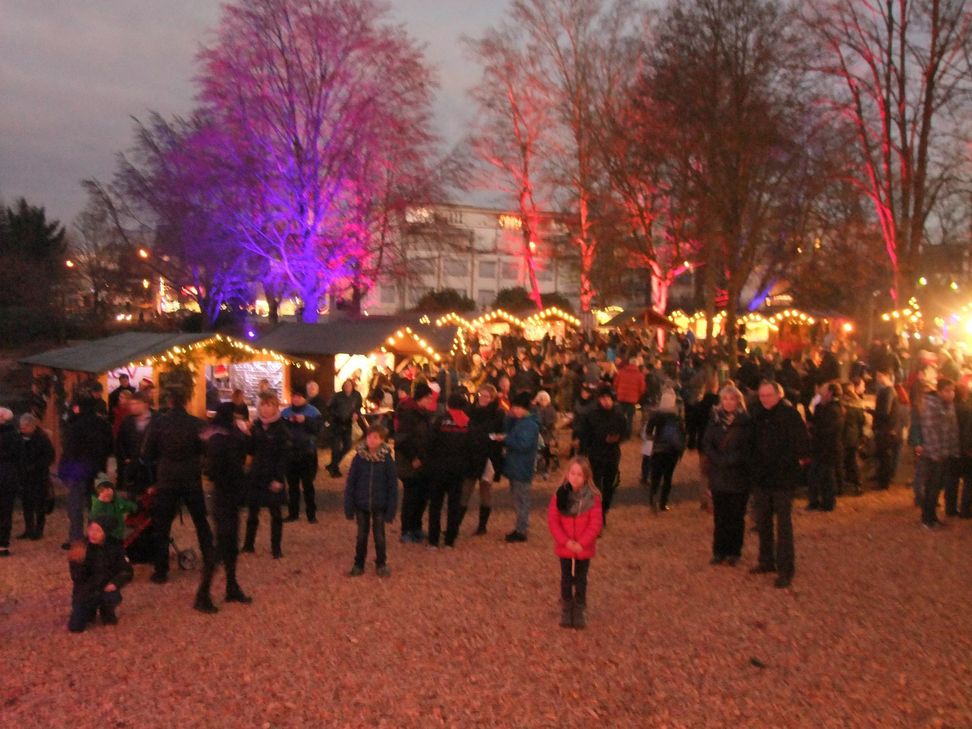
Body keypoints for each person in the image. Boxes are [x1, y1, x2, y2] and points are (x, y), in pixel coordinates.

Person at [141, 387, 216, 601]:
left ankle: (161, 570)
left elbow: (146, 453)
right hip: (190, 478)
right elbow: (209, 449)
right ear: (187, 401)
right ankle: (209, 559)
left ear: (169, 401)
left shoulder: (158, 424)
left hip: (166, 479)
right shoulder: (197, 423)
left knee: (162, 525)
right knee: (201, 521)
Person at [750, 381, 809, 589]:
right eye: (762, 395)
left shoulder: (789, 415)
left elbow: (802, 445)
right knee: (763, 521)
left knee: (783, 525)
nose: (765, 399)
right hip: (761, 478)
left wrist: (791, 465)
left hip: (783, 479)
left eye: (769, 395)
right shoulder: (756, 413)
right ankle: (766, 560)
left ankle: (786, 568)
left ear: (778, 395)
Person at [198, 402, 253, 610]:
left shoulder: (218, 436)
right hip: (224, 495)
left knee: (230, 544)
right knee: (222, 544)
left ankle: (231, 585)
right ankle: (203, 594)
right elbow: (217, 467)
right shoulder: (221, 439)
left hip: (227, 495)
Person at [547, 457, 603, 630]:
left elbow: (595, 524)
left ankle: (579, 607)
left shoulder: (592, 499)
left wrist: (582, 542)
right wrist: (565, 541)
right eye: (572, 473)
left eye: (579, 474)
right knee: (565, 578)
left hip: (583, 547)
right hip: (565, 545)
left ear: (586, 477)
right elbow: (553, 521)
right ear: (567, 474)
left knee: (580, 578)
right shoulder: (560, 496)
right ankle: (566, 606)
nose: (575, 477)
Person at [700, 385, 751, 565]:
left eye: (732, 399)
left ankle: (734, 551)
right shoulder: (714, 420)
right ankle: (719, 550)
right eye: (725, 399)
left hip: (738, 475)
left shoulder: (745, 422)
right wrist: (717, 458)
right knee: (720, 515)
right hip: (719, 474)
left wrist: (729, 460)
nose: (728, 402)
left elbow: (747, 448)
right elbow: (707, 442)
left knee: (736, 516)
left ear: (738, 401)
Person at [58, 397, 113, 550]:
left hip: (78, 471)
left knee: (75, 507)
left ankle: (75, 538)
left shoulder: (74, 425)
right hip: (97, 471)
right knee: (95, 506)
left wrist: (64, 471)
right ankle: (94, 536)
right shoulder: (103, 425)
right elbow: (110, 447)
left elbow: (69, 450)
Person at [344, 425, 397, 576]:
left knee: (379, 536)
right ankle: (358, 563)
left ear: (382, 440)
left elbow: (392, 485)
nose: (371, 440)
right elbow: (351, 482)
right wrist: (349, 505)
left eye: (375, 437)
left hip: (380, 504)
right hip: (361, 503)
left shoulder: (386, 460)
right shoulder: (359, 458)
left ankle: (381, 563)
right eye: (369, 437)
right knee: (361, 535)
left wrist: (391, 509)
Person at [242, 392, 290, 559]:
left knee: (275, 513)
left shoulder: (281, 428)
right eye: (263, 405)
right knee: (252, 511)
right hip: (257, 474)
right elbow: (250, 450)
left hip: (272, 474)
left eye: (269, 405)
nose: (265, 408)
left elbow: (283, 456)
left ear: (275, 407)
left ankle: (276, 548)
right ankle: (248, 544)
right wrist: (247, 435)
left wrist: (278, 478)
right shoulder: (255, 426)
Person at [67, 514, 133, 633]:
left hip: (105, 588)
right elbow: (77, 577)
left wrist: (114, 583)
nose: (93, 533)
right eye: (91, 529)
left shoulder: (115, 547)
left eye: (98, 531)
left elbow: (127, 571)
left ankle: (107, 609)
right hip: (86, 591)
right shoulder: (80, 548)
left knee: (111, 597)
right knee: (75, 627)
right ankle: (90, 609)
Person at [426, 392, 472, 549]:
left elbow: (430, 443)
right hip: (458, 469)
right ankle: (450, 540)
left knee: (436, 505)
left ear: (448, 405)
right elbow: (470, 447)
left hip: (439, 468)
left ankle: (433, 540)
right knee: (454, 504)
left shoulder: (440, 421)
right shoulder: (467, 423)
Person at [576, 385, 628, 523]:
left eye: (608, 398)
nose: (606, 401)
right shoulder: (592, 415)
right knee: (596, 487)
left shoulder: (618, 415)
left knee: (610, 486)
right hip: (596, 454)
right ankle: (598, 517)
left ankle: (604, 509)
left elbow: (625, 431)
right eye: (603, 398)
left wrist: (618, 438)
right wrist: (583, 452)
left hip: (612, 454)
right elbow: (585, 434)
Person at [395, 382, 435, 544]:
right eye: (429, 398)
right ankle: (406, 530)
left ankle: (416, 527)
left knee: (422, 495)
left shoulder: (422, 413)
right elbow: (402, 440)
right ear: (422, 398)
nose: (431, 401)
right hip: (410, 463)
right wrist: (413, 458)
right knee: (411, 496)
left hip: (422, 460)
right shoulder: (409, 414)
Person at [918, 378, 959, 529]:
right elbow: (930, 430)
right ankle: (927, 518)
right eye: (948, 390)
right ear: (940, 391)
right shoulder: (931, 406)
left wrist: (953, 450)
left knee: (938, 486)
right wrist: (936, 452)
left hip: (945, 451)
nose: (951, 394)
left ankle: (932, 516)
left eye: (952, 390)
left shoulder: (948, 405)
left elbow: (953, 429)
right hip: (935, 453)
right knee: (932, 486)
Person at [501, 391, 541, 543]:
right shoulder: (521, 421)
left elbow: (523, 444)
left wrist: (507, 439)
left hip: (522, 465)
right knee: (518, 499)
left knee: (522, 499)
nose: (515, 411)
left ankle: (521, 530)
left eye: (517, 408)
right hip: (517, 465)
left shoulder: (529, 425)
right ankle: (520, 527)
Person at [467, 384, 505, 536]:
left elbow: (496, 432)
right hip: (472, 454)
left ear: (492, 398)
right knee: (466, 488)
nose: (483, 399)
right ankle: (455, 522)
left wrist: (481, 435)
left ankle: (482, 525)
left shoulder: (497, 414)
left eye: (486, 396)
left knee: (485, 489)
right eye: (481, 395)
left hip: (489, 455)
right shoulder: (471, 411)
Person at [281, 386, 323, 523]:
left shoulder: (313, 412)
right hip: (290, 453)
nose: (296, 399)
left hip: (307, 453)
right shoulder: (285, 412)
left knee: (308, 485)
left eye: (299, 396)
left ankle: (311, 514)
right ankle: (293, 513)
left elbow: (318, 430)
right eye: (294, 396)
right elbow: (281, 431)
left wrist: (305, 420)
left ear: (304, 398)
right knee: (292, 485)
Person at [643, 389, 685, 513]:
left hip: (658, 450)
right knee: (668, 477)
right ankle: (663, 503)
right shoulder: (677, 416)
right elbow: (682, 434)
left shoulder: (656, 415)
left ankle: (652, 499)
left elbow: (648, 432)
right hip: (672, 451)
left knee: (655, 477)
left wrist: (653, 440)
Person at [807, 382, 843, 512]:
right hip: (820, 447)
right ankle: (815, 501)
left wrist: (813, 429)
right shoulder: (821, 407)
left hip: (828, 448)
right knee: (815, 474)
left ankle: (828, 502)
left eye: (823, 390)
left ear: (830, 393)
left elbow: (828, 429)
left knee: (826, 476)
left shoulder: (834, 409)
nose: (820, 392)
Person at [18, 413, 54, 540]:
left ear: (32, 426)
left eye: (25, 427)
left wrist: (35, 466)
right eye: (21, 427)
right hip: (24, 477)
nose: (22, 429)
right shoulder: (20, 438)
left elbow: (50, 457)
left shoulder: (42, 438)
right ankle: (28, 529)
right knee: (26, 504)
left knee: (39, 504)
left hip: (39, 477)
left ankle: (38, 530)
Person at [115, 390, 156, 497]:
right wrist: (125, 458)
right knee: (133, 502)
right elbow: (120, 442)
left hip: (151, 469)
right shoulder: (127, 421)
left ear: (146, 404)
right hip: (133, 468)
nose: (133, 407)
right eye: (132, 404)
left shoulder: (157, 420)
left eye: (137, 404)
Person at [871, 370, 901, 491]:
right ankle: (882, 478)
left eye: (880, 376)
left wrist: (873, 412)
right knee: (883, 455)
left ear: (886, 376)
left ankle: (884, 481)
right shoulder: (888, 391)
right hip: (886, 428)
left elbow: (885, 411)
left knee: (884, 456)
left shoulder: (888, 391)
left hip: (885, 429)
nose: (878, 379)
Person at [327, 380, 363, 477]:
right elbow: (330, 407)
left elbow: (358, 407)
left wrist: (356, 414)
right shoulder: (337, 396)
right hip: (337, 423)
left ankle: (333, 464)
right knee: (336, 447)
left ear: (352, 386)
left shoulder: (356, 395)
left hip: (348, 424)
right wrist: (335, 416)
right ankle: (334, 469)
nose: (347, 386)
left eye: (349, 385)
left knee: (348, 445)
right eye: (346, 385)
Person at [0, 408, 22, 557]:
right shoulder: (15, 435)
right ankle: (3, 544)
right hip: (10, 476)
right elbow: (20, 457)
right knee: (6, 511)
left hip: (5, 474)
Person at [89, 476, 137, 542]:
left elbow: (126, 505)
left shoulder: (116, 499)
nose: (107, 492)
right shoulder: (98, 506)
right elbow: (93, 518)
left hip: (119, 532)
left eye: (108, 489)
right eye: (102, 491)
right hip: (108, 538)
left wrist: (135, 507)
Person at [840, 383, 866, 496]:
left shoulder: (842, 405)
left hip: (843, 436)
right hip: (853, 435)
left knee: (843, 461)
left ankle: (843, 485)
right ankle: (857, 484)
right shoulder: (858, 404)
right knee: (853, 460)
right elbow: (862, 422)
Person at [612, 357, 645, 438]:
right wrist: (637, 396)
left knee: (620, 416)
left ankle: (619, 432)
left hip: (621, 397)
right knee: (629, 417)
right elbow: (642, 389)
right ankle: (627, 434)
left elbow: (615, 384)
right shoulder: (640, 375)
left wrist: (618, 392)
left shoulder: (621, 372)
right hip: (632, 399)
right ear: (637, 365)